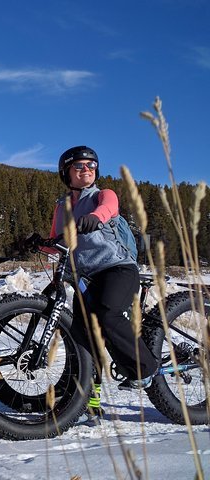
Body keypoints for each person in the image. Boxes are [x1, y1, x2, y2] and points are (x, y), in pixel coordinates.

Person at [50, 145, 157, 422]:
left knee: (108, 314)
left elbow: (109, 209)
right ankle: (90, 398)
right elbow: (57, 241)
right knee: (82, 337)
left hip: (117, 268)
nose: (87, 170)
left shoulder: (102, 195)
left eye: (91, 165)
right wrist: (36, 243)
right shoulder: (62, 206)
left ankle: (145, 368)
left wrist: (94, 218)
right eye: (79, 166)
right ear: (66, 172)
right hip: (84, 277)